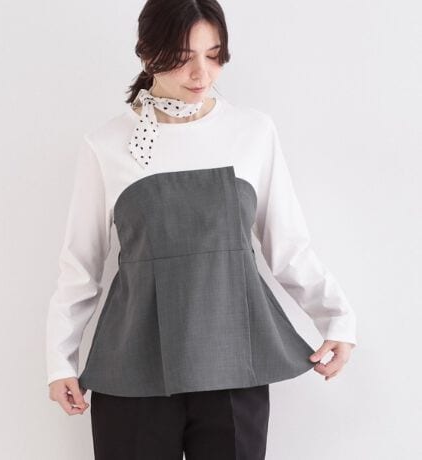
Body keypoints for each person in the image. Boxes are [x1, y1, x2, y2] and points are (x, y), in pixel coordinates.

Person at [46, 0, 357, 458]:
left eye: (214, 56)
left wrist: (337, 318)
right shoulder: (107, 144)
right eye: (182, 57)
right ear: (147, 52)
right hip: (132, 368)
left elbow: (288, 246)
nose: (201, 73)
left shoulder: (251, 131)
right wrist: (59, 360)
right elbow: (81, 266)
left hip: (234, 361)